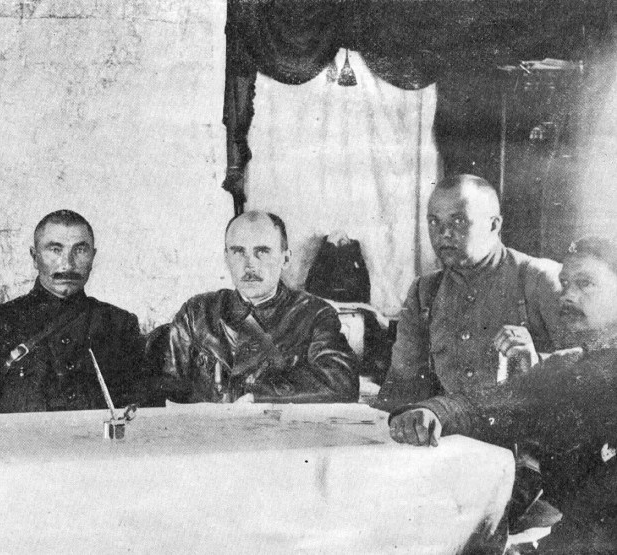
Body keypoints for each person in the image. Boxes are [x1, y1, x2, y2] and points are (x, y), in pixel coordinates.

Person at [390, 236, 617, 553]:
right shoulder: (570, 367)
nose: (568, 295)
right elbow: (488, 404)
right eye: (565, 283)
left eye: (586, 283)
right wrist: (434, 412)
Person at [376, 174, 563, 410]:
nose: (444, 233)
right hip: (452, 427)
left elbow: (587, 372)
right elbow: (401, 385)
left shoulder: (539, 280)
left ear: (494, 225)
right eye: (433, 221)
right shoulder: (424, 292)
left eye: (458, 220)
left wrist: (534, 362)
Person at [0, 210, 145, 414]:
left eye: (80, 250)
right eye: (55, 250)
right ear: (35, 257)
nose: (68, 264)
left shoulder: (120, 326)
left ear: (93, 257)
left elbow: (141, 413)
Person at [161, 211, 359, 403]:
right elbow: (166, 389)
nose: (250, 265)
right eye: (238, 252)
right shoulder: (196, 313)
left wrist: (258, 397)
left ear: (285, 259)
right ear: (226, 258)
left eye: (262, 252)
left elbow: (340, 382)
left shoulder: (314, 314)